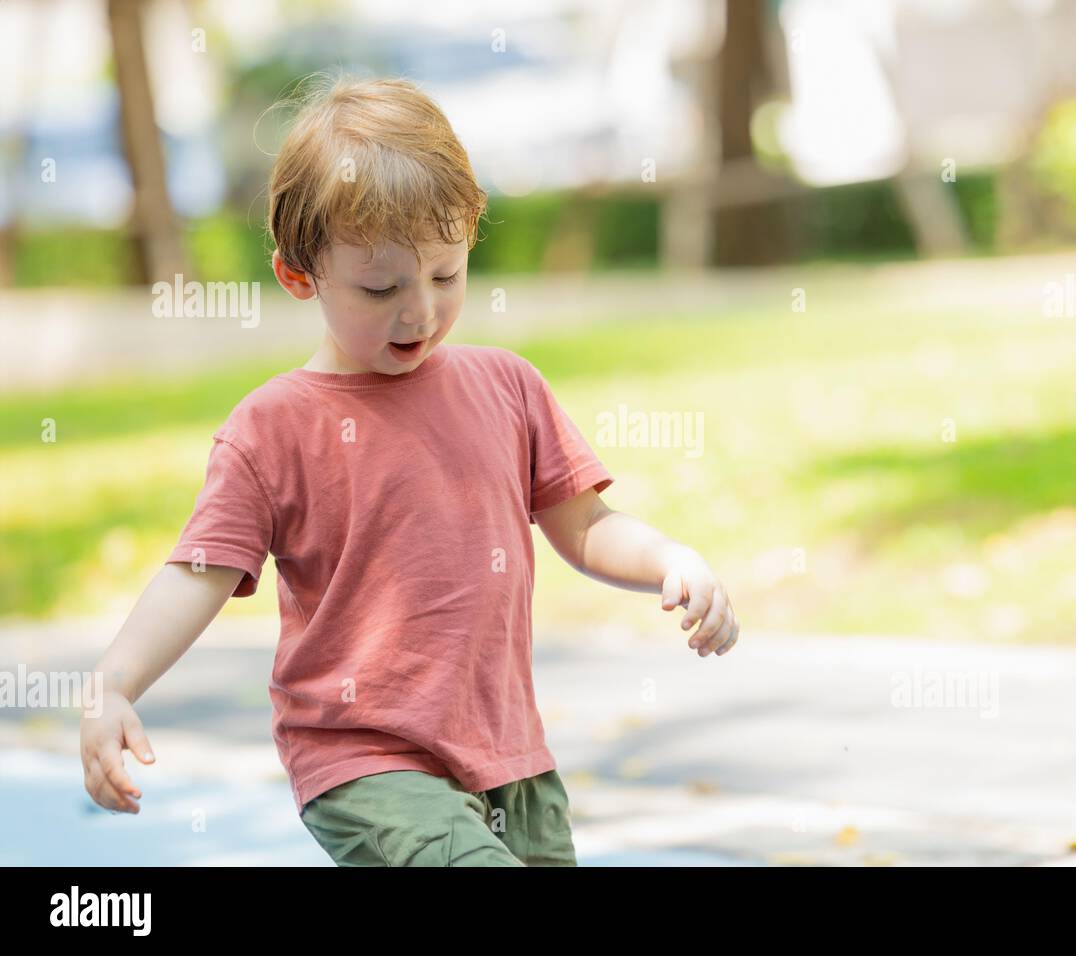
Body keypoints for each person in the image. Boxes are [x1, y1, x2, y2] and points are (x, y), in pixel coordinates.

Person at [78, 75, 740, 866]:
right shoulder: (272, 428)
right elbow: (197, 572)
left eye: (444, 275)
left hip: (510, 757)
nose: (418, 311)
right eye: (380, 287)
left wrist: (673, 558)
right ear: (299, 276)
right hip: (366, 761)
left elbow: (586, 525)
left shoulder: (507, 387)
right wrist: (114, 682)